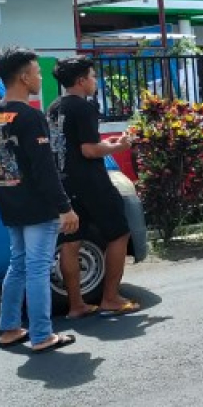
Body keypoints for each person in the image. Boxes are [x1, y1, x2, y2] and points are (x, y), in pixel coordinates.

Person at [0, 45, 79, 352]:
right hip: (38, 205)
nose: (40, 76)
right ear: (24, 77)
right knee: (38, 267)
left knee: (19, 263)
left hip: (8, 200)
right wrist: (64, 207)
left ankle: (10, 327)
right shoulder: (30, 116)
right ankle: (42, 335)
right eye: (37, 71)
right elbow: (45, 168)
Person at [48, 56, 139, 318]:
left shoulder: (55, 107)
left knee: (71, 241)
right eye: (92, 75)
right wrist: (119, 146)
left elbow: (73, 144)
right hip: (92, 183)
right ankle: (110, 298)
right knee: (119, 234)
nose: (95, 80)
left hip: (65, 182)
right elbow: (88, 150)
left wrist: (105, 143)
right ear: (81, 81)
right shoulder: (84, 107)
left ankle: (76, 305)